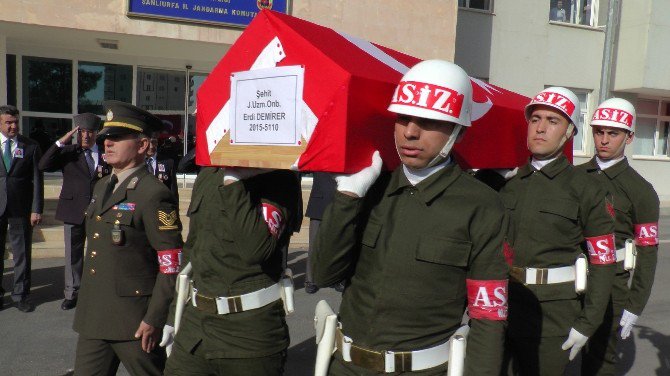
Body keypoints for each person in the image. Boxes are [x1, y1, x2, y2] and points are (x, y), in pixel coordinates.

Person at [312, 60, 509, 375]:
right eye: (403, 118)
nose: (410, 132)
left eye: (429, 121)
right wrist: (347, 197)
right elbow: (322, 274)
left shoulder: (482, 205)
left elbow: (488, 314)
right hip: (345, 365)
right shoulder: (370, 187)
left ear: (457, 132)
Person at [500, 87, 616, 375]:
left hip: (553, 315)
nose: (540, 128)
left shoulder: (586, 188)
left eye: (553, 121)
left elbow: (603, 262)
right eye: (535, 119)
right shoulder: (507, 182)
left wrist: (587, 323)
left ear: (568, 133)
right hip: (502, 307)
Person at [72, 100, 184, 375]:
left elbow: (170, 263)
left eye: (118, 138)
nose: (107, 143)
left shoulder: (153, 193)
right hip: (95, 316)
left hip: (135, 321)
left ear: (143, 145)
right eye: (106, 137)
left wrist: (155, 318)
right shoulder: (100, 186)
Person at [161, 164, 302, 376]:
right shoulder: (209, 174)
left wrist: (233, 183)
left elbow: (257, 249)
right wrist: (174, 316)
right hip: (195, 328)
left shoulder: (279, 178)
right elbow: (193, 251)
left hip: (248, 333)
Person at [577, 98, 659, 376]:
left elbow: (648, 255)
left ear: (630, 137)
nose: (604, 140)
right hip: (569, 280)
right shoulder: (572, 177)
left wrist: (635, 306)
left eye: (613, 133)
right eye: (599, 131)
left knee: (599, 363)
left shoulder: (641, 190)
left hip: (612, 285)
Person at [38, 113, 110, 310]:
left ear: (97, 133)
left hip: (99, 211)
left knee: (100, 253)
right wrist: (61, 142)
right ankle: (72, 293)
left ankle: (97, 290)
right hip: (73, 210)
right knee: (73, 255)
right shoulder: (69, 152)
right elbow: (43, 165)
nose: (86, 136)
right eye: (82, 132)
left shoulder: (106, 154)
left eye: (90, 132)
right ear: (77, 133)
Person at [0, 105, 43, 312]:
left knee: (22, 253)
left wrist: (36, 209)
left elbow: (37, 179)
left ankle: (21, 294)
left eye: (15, 122)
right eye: (8, 122)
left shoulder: (31, 146)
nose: (13, 126)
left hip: (21, 207)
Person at [304, 172, 342, 294]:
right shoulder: (320, 153)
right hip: (320, 199)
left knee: (338, 243)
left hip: (339, 199)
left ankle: (336, 278)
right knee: (314, 244)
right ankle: (310, 280)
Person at [146, 132, 179, 202]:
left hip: (161, 207)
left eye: (154, 142)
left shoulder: (168, 162)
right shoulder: (135, 162)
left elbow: (173, 191)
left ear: (157, 143)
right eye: (149, 143)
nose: (151, 146)